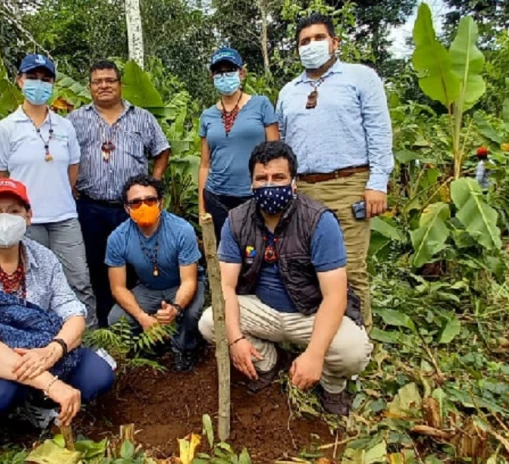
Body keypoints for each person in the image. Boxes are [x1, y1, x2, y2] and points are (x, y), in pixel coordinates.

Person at [0, 178, 115, 464]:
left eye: (14, 211)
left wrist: (54, 348)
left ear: (28, 217)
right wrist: (52, 383)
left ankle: (32, 405)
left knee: (97, 374)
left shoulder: (44, 258)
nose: (4, 219)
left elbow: (73, 314)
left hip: (36, 349)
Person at [198, 141, 373, 416]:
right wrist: (235, 340)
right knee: (211, 323)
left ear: (294, 182)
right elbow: (226, 288)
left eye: (278, 177)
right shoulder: (236, 220)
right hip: (262, 308)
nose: (270, 185)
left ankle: (332, 384)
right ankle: (268, 362)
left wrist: (315, 355)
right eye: (262, 178)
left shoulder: (318, 221)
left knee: (353, 351)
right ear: (251, 184)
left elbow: (335, 295)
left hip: (310, 312)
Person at [276, 13, 394, 329]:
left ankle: (359, 341)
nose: (311, 45)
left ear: (334, 42)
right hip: (304, 192)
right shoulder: (288, 92)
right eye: (304, 41)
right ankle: (321, 339)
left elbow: (379, 132)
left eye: (318, 38)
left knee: (351, 269)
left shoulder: (360, 78)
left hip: (350, 185)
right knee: (308, 266)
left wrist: (378, 182)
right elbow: (284, 145)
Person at [0, 53, 97, 330]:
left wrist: (58, 193)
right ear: (20, 81)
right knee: (32, 284)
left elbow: (72, 170)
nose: (39, 84)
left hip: (64, 218)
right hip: (25, 222)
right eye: (32, 78)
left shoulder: (65, 127)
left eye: (45, 79)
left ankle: (91, 340)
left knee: (79, 281)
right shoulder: (6, 129)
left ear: (53, 84)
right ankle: (40, 337)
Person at [68, 60, 171, 327]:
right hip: (90, 207)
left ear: (120, 84)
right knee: (96, 265)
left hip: (134, 208)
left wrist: (152, 184)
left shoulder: (142, 118)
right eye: (97, 81)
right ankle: (104, 325)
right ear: (90, 87)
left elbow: (162, 150)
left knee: (139, 264)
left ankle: (140, 322)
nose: (104, 85)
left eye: (110, 80)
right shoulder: (75, 120)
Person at [106, 175, 205, 372]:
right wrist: (143, 317)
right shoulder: (117, 238)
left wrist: (175, 308)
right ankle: (146, 349)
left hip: (181, 283)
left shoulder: (181, 230)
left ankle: (184, 348)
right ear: (127, 208)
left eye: (150, 200)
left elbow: (189, 281)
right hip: (149, 287)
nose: (144, 206)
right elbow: (117, 287)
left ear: (160, 202)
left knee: (191, 313)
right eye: (136, 202)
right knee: (116, 318)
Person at [198, 47, 279, 242]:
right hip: (216, 196)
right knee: (225, 255)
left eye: (230, 70)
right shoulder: (207, 115)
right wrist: (202, 208)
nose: (224, 75)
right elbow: (205, 164)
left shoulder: (261, 104)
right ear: (212, 77)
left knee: (258, 252)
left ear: (241, 73)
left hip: (254, 194)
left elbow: (277, 152)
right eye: (219, 71)